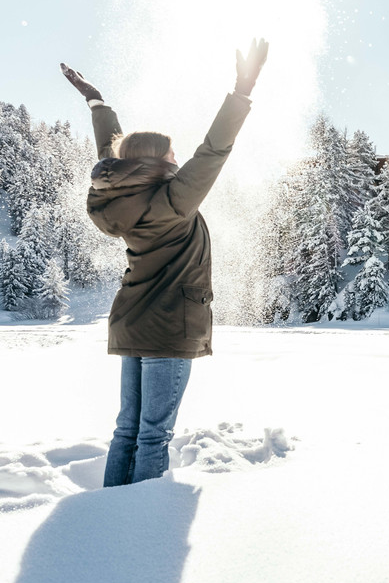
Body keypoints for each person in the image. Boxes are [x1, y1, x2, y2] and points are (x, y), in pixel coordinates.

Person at [61, 39, 269, 486]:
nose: (177, 158)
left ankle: (110, 511)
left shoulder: (121, 196)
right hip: (169, 326)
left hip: (132, 322)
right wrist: (242, 91)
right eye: (172, 154)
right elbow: (213, 151)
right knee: (154, 435)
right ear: (157, 161)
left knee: (127, 430)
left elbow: (112, 159)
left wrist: (97, 104)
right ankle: (142, 519)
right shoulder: (174, 200)